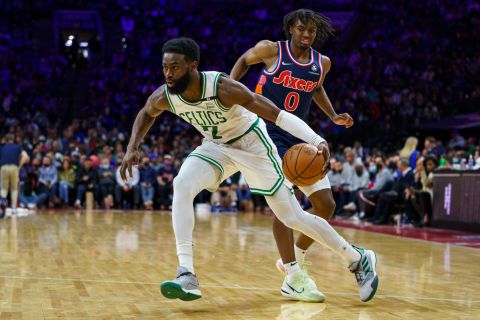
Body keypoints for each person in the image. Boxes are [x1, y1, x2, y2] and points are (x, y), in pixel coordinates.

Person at [120, 37, 378, 303]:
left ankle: (357, 258)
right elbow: (146, 113)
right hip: (216, 146)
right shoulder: (166, 95)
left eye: (175, 67)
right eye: (165, 67)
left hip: (253, 144)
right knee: (182, 184)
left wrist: (316, 140)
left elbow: (276, 114)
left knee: (291, 216)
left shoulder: (223, 88)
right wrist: (132, 147)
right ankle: (186, 273)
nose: (168, 74)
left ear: (192, 66)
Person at [230, 8, 355, 298]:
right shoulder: (271, 50)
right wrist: (231, 93)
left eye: (311, 30)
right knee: (285, 203)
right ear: (291, 29)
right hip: (267, 133)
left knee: (325, 205)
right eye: (301, 29)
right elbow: (242, 61)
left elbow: (317, 88)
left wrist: (334, 115)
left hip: (297, 134)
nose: (307, 34)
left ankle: (296, 253)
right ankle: (292, 270)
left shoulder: (322, 63)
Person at [0, 134, 29, 215]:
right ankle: (13, 208)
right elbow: (25, 156)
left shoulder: (2, 147)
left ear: (6, 139)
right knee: (14, 188)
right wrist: (19, 166)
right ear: (13, 139)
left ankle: (2, 202)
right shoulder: (18, 147)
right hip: (14, 167)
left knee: (3, 188)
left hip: (3, 167)